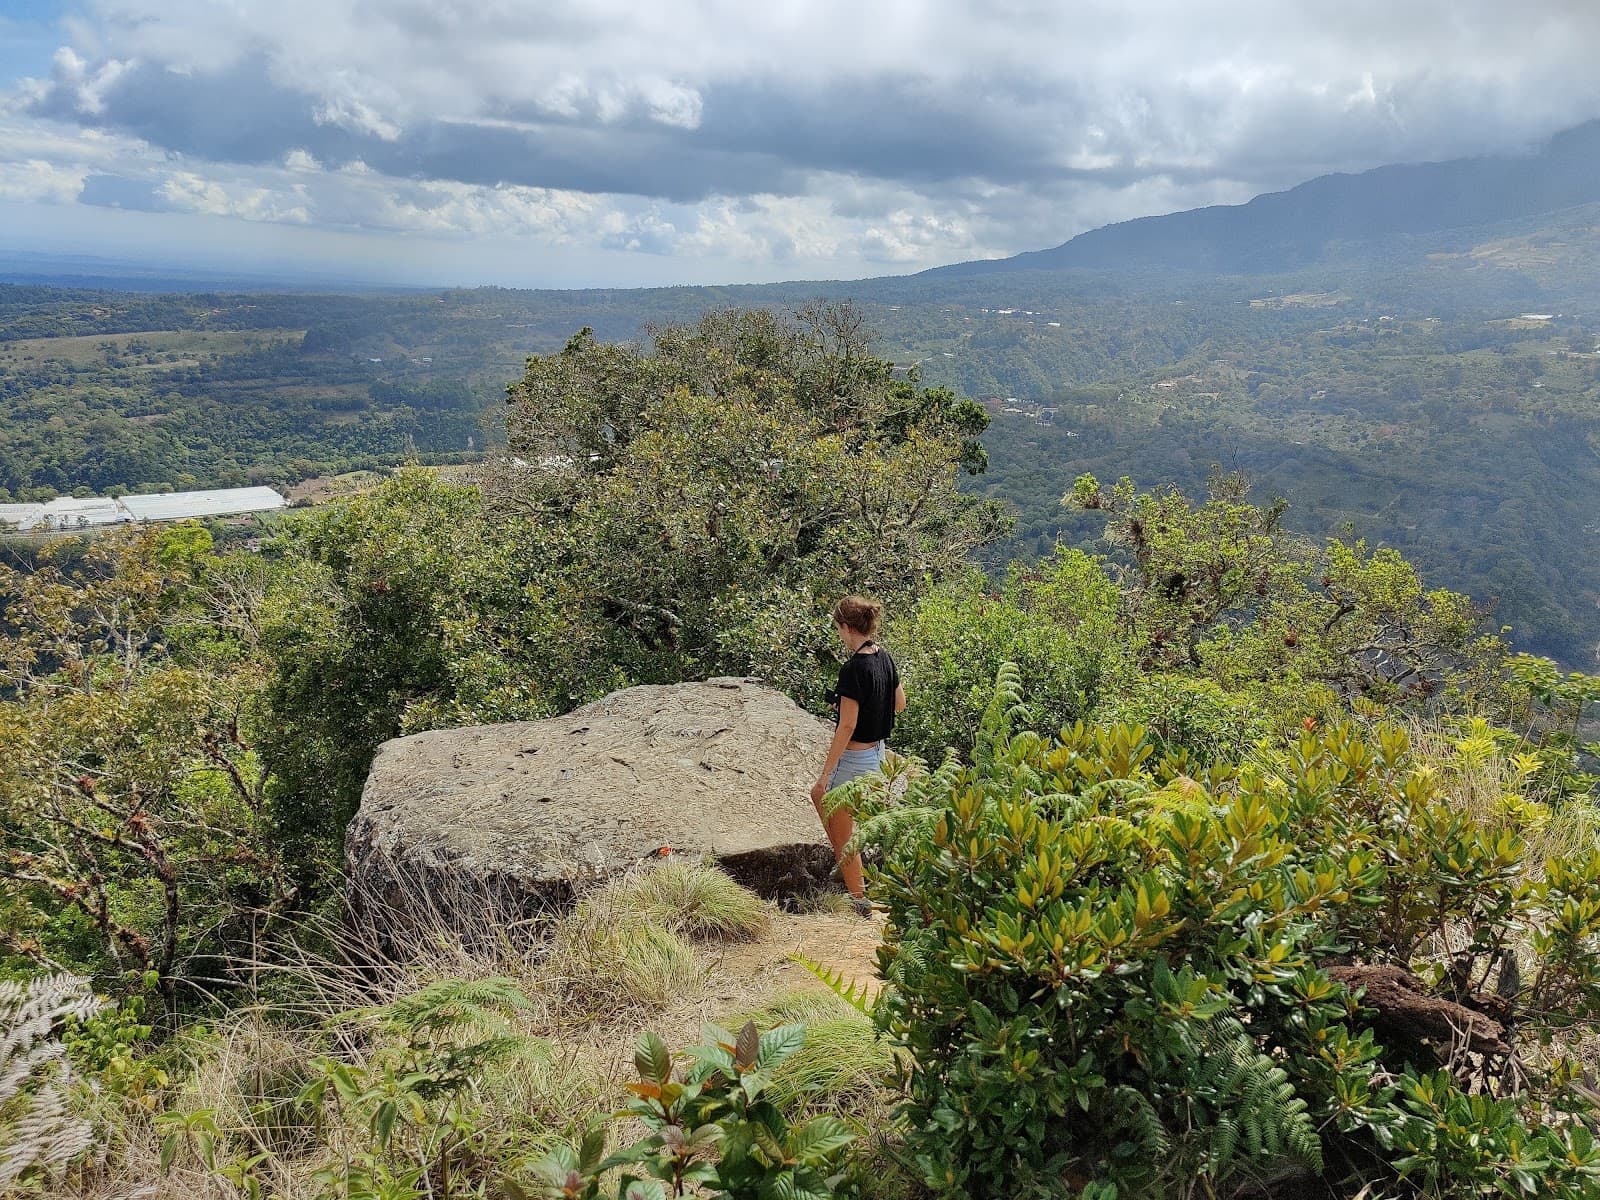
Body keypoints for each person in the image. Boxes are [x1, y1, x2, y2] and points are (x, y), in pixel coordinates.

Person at [811, 595, 905, 916]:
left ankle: (857, 898)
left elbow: (847, 724)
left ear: (847, 627)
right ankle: (855, 883)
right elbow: (900, 703)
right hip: (877, 755)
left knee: (827, 804)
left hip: (853, 758)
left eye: (838, 627)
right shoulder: (885, 658)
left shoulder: (852, 670)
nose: (838, 634)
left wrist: (826, 771)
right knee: (844, 823)